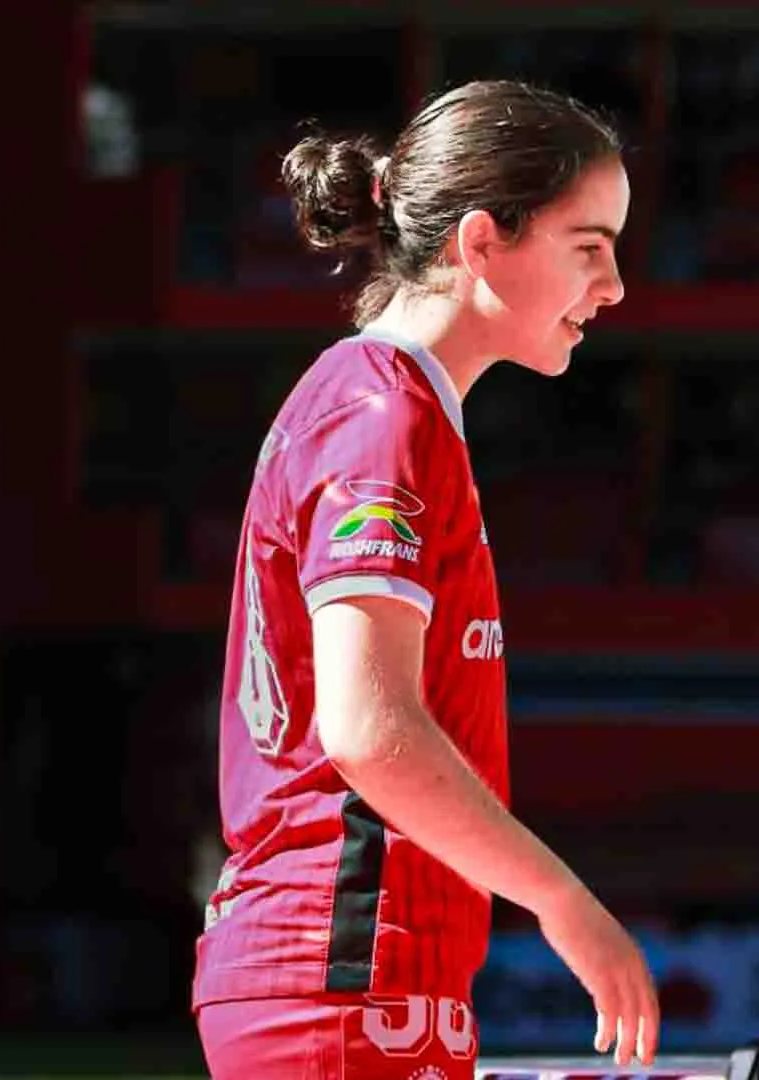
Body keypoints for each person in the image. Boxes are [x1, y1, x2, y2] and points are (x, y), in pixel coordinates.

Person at [192, 80, 658, 1079]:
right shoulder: (380, 415)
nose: (615, 286)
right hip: (338, 982)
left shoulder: (395, 409)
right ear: (482, 242)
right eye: (589, 246)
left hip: (359, 982)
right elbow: (368, 731)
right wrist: (562, 900)